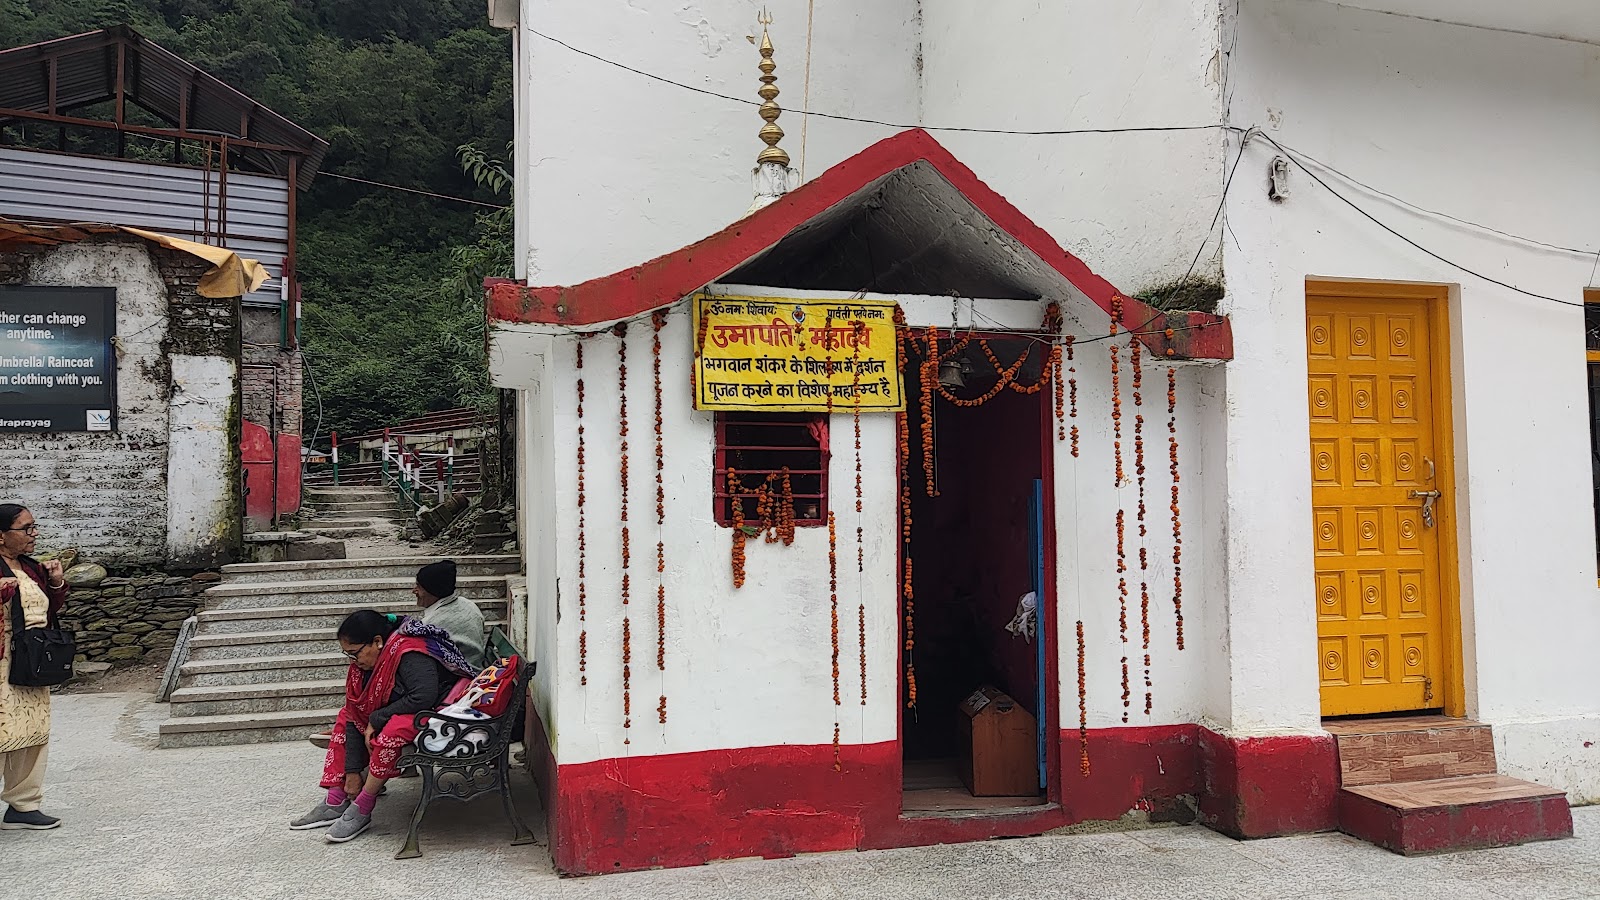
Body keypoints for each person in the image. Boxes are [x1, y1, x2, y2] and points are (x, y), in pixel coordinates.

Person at [290, 610, 476, 842]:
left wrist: (376, 718)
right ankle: (336, 798)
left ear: (377, 641)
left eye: (355, 653)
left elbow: (423, 697)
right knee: (346, 715)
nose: (353, 661)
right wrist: (351, 772)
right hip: (407, 708)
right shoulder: (368, 664)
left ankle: (363, 806)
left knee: (391, 732)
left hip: (439, 712)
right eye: (348, 654)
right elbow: (355, 712)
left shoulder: (409, 652)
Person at [0, 503, 68, 830]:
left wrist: (55, 583)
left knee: (32, 730)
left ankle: (23, 804)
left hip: (31, 658)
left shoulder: (31, 567)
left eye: (34, 527)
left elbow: (47, 609)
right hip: (2, 658)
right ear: (1, 536)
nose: (34, 534)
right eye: (26, 528)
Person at [413, 560, 486, 670]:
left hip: (463, 674)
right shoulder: (467, 604)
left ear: (432, 590)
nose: (414, 591)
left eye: (419, 586)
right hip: (476, 666)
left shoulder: (434, 623)